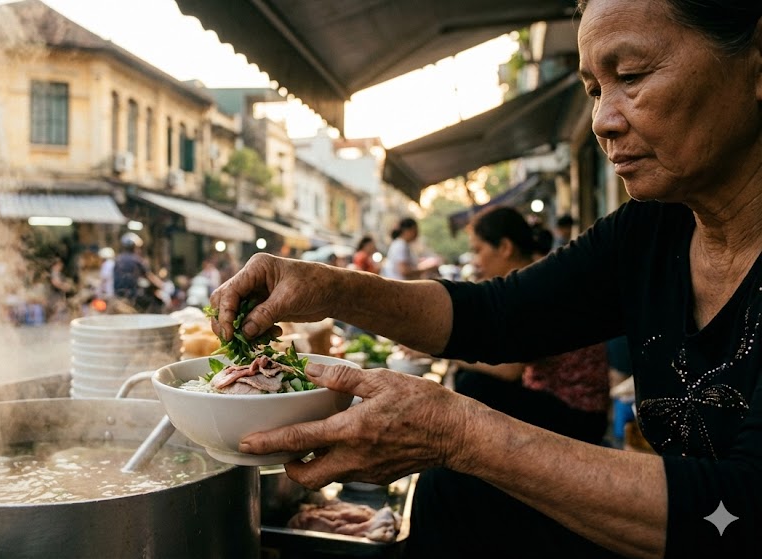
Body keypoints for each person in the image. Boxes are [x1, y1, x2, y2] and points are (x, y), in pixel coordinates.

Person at [209, 1, 762, 555]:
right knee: (451, 495)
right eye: (595, 90)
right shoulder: (652, 230)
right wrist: (329, 287)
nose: (602, 120)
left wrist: (458, 432)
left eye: (632, 77)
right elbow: (496, 316)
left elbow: (741, 507)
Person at [452, 206, 610, 444]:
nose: (475, 261)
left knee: (472, 383)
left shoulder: (535, 284)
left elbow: (510, 369)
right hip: (561, 401)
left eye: (478, 250)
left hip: (579, 415)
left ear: (505, 247)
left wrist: (446, 353)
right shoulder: (533, 274)